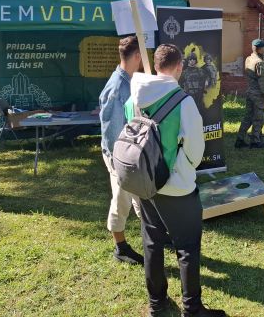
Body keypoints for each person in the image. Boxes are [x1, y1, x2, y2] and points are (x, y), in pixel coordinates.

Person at [125, 44, 226, 317]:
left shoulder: (133, 97)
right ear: (179, 67)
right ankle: (192, 309)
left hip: (145, 183)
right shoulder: (184, 102)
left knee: (152, 244)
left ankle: (156, 304)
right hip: (177, 187)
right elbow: (195, 152)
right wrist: (183, 169)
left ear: (156, 65)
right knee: (187, 247)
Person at [98, 35, 144, 265]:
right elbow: (111, 131)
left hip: (130, 154)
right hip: (119, 156)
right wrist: (119, 161)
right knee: (121, 199)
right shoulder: (117, 87)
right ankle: (121, 247)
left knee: (140, 196)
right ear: (137, 55)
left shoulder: (130, 81)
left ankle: (152, 233)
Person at [235, 39, 264, 150]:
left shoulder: (248, 59)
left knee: (248, 117)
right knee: (259, 118)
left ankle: (240, 140)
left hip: (249, 92)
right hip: (258, 94)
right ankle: (255, 141)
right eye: (263, 48)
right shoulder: (259, 62)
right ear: (259, 49)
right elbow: (262, 83)